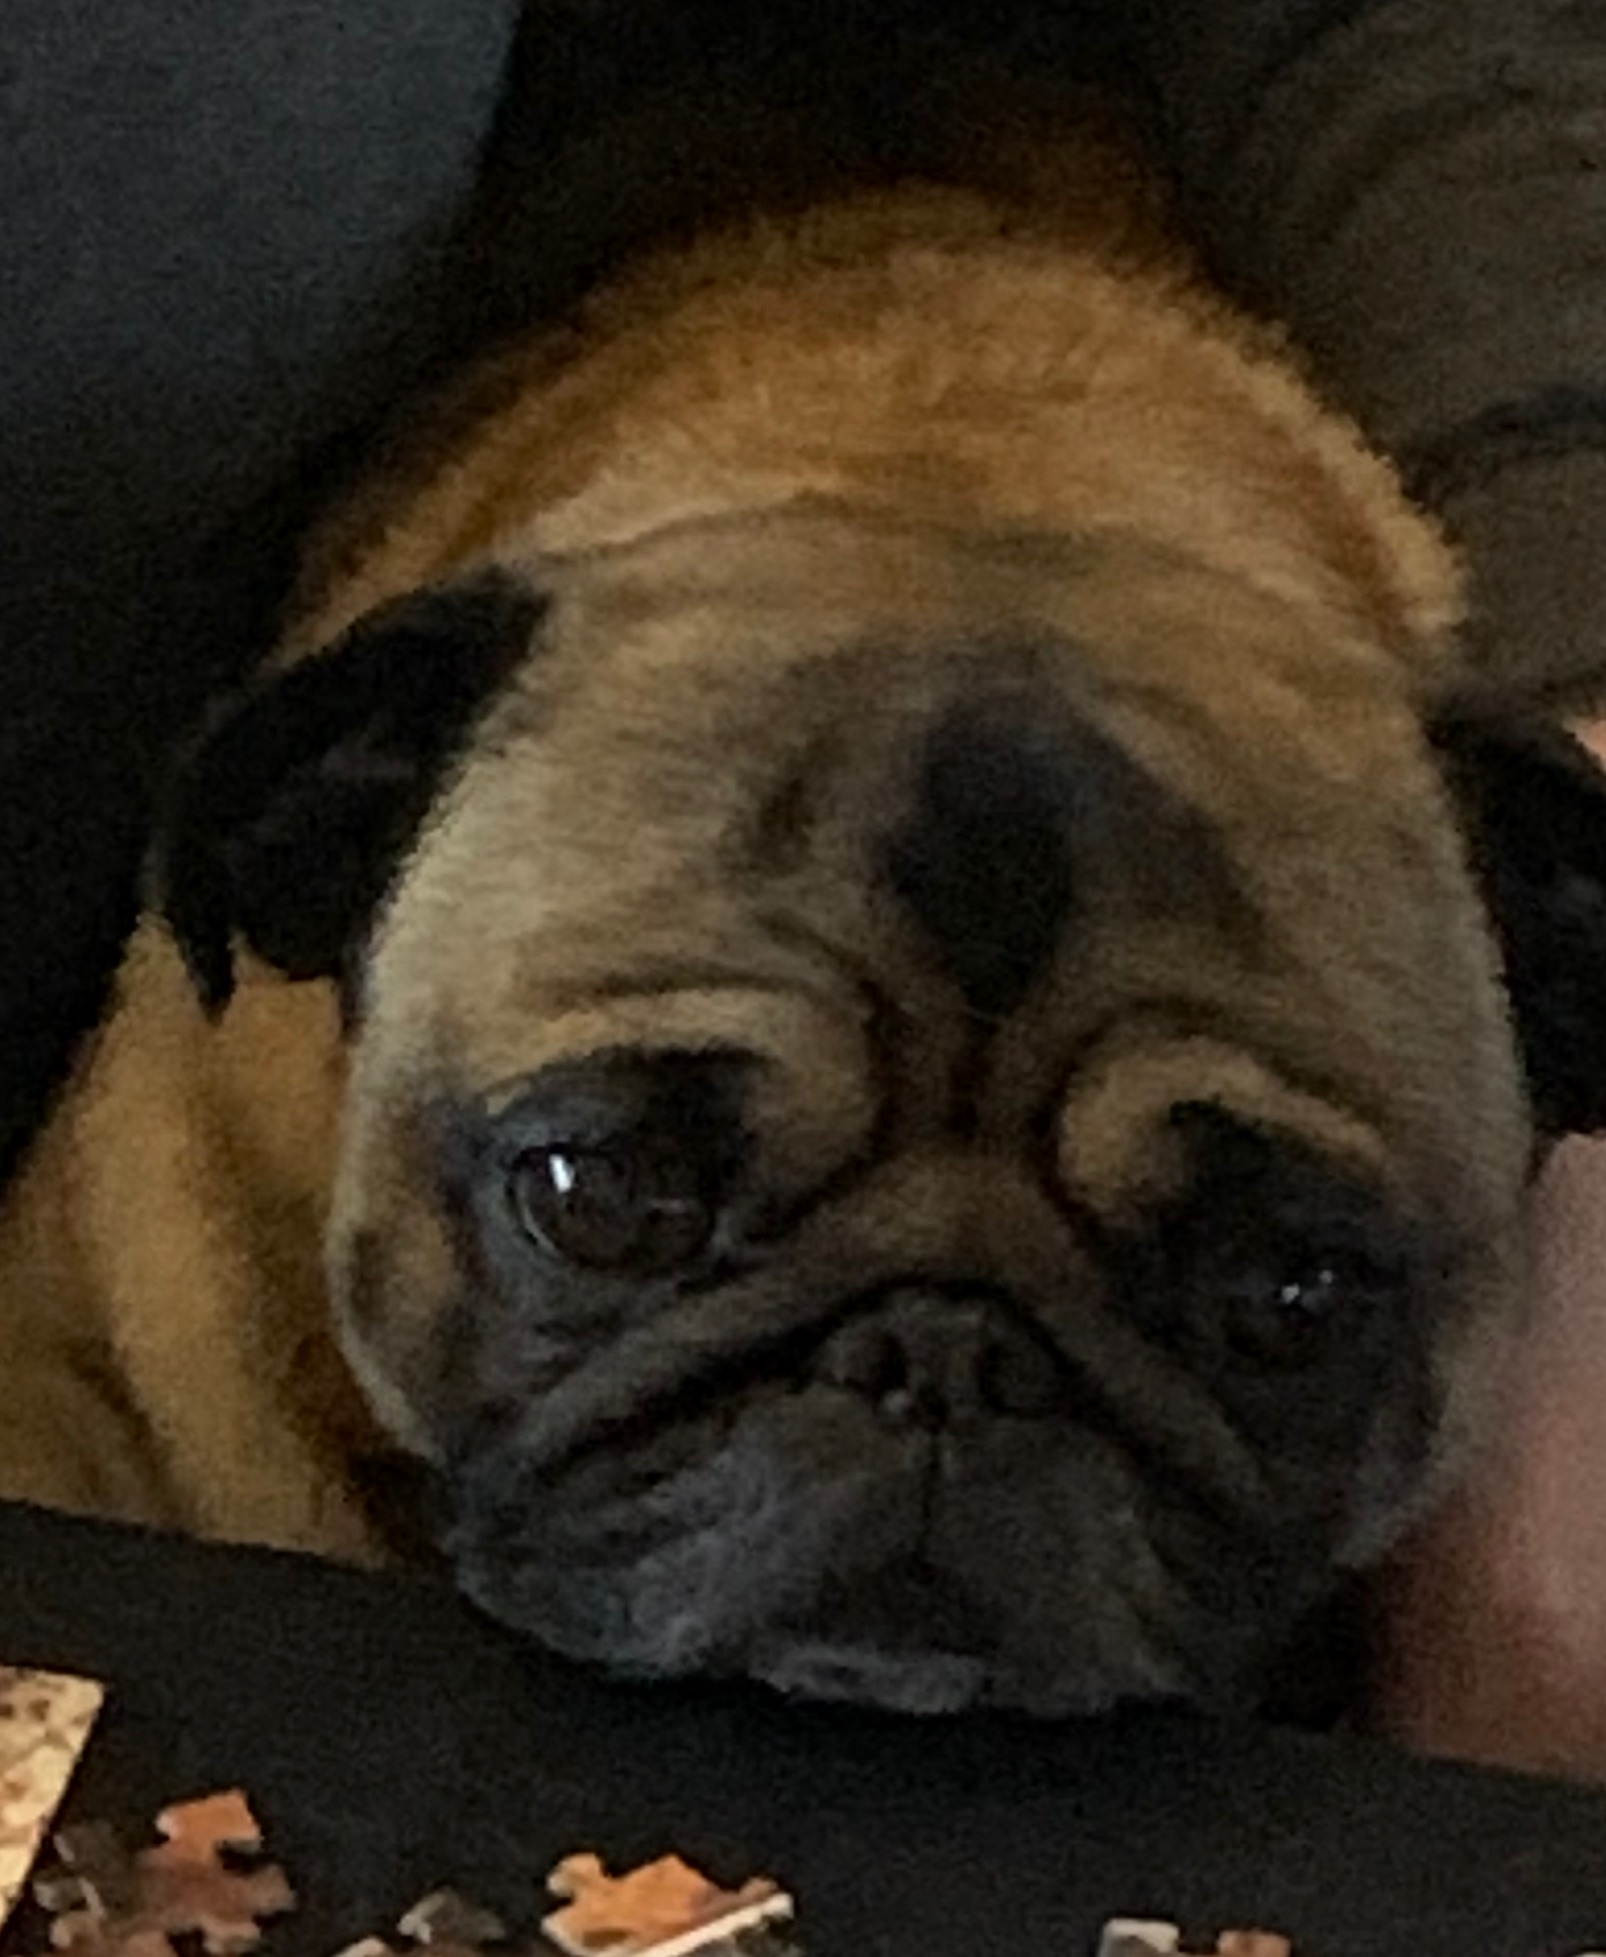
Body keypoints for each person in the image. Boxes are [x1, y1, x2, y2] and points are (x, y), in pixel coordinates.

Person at [3, 0, 1604, 1771]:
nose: (925, 1413)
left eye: (1275, 1297)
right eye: (613, 1199)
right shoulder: (201, 1156)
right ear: (310, 863)